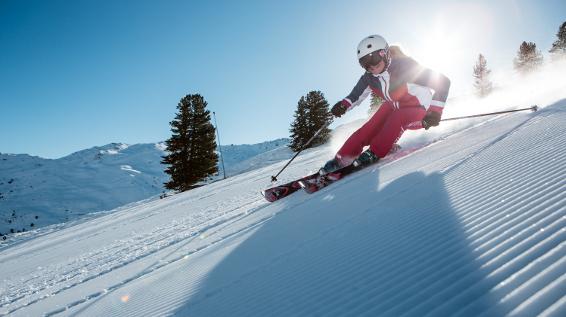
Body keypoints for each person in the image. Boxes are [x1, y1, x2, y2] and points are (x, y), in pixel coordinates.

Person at [320, 34, 451, 174]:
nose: (372, 66)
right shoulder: (369, 78)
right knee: (371, 125)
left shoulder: (405, 67)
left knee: (397, 118)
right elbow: (355, 96)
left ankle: (376, 151)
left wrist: (435, 111)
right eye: (365, 63)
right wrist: (343, 105)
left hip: (420, 110)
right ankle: (341, 158)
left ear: (385, 54)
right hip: (395, 105)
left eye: (374, 59)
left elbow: (443, 82)